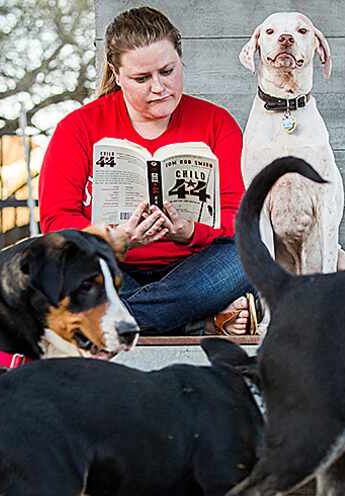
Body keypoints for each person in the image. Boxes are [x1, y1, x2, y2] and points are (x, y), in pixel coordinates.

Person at [39, 6, 258, 336]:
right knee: (61, 265)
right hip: (113, 269)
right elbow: (55, 222)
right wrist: (118, 239)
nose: (159, 87)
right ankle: (197, 321)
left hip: (196, 266)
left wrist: (190, 231)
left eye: (167, 71)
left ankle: (93, 324)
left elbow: (238, 217)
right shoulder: (78, 127)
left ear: (180, 60)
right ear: (116, 74)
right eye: (142, 79)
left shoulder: (217, 123)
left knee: (245, 258)